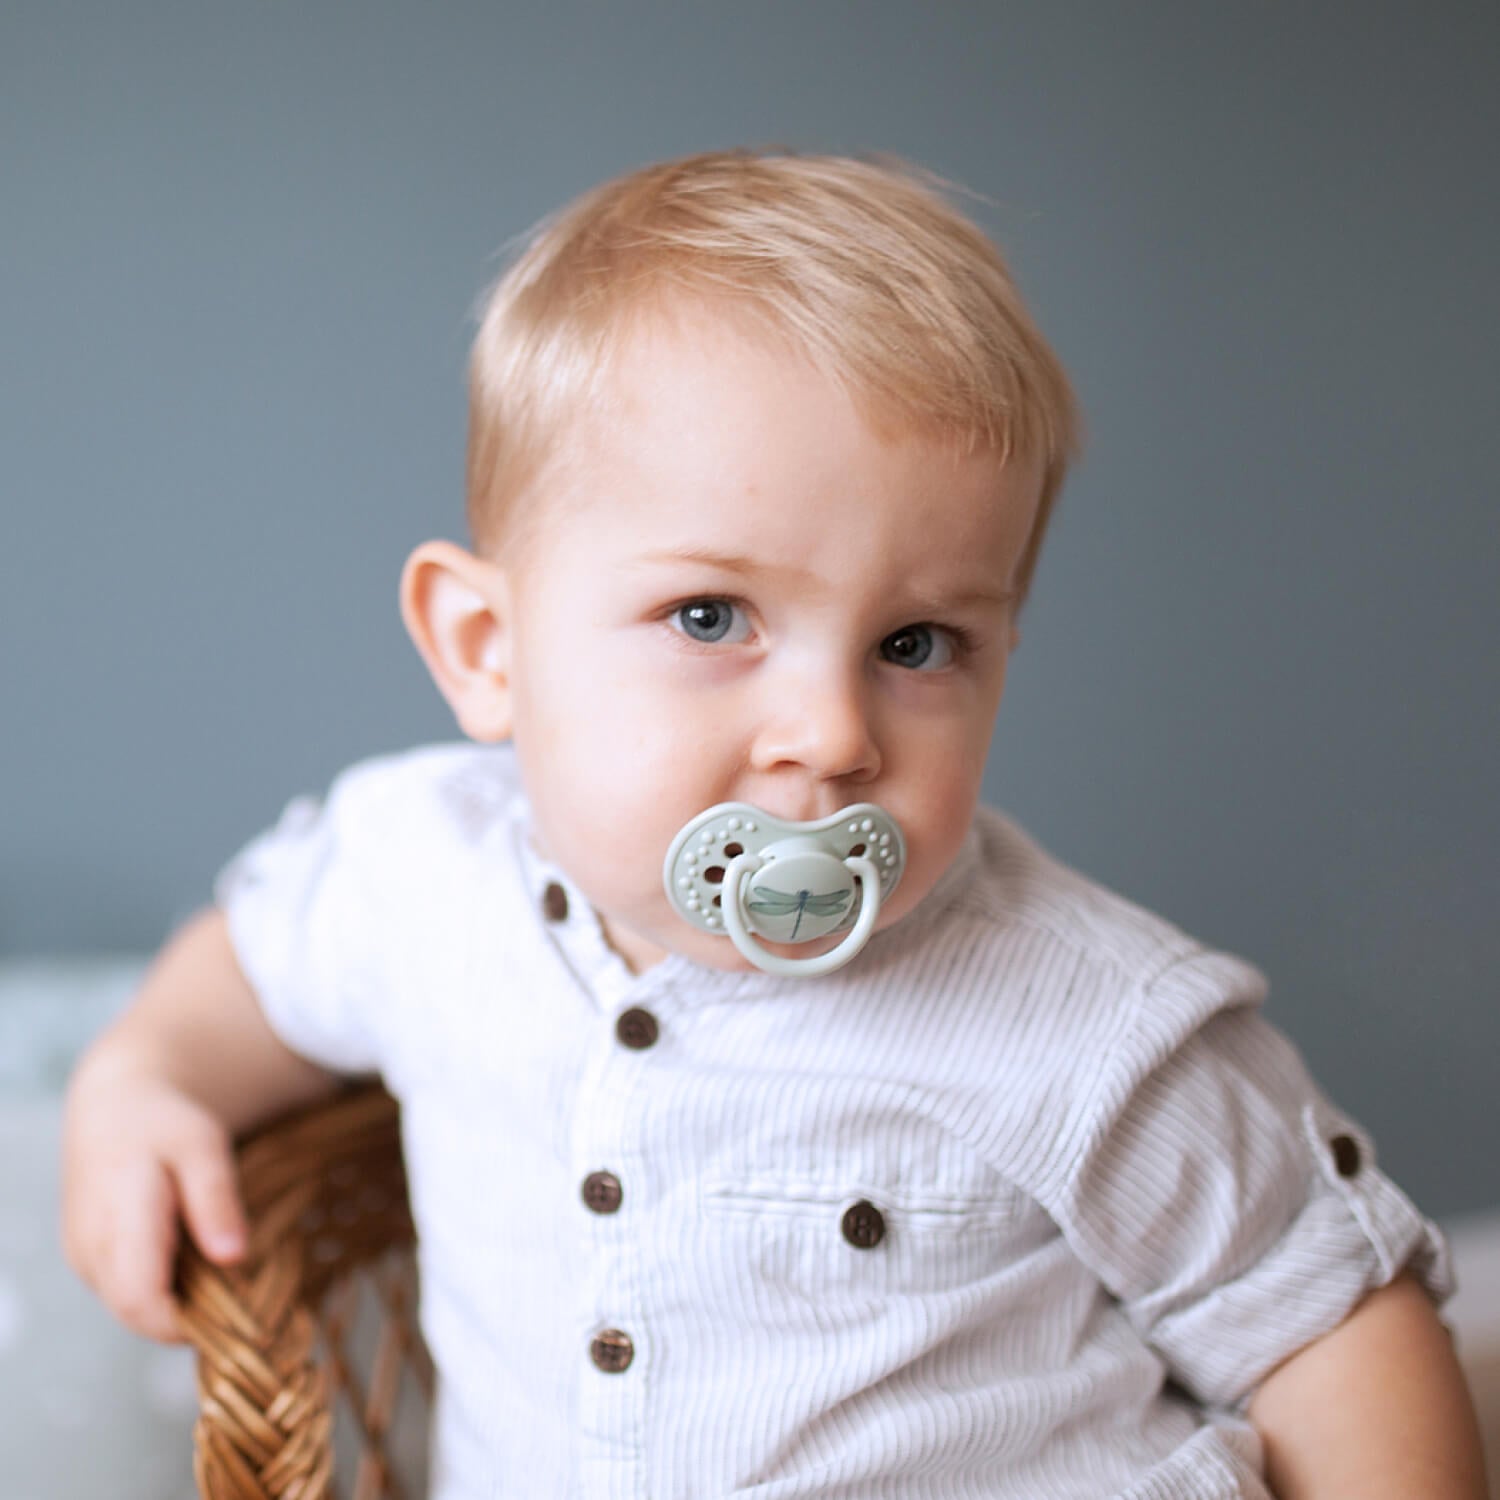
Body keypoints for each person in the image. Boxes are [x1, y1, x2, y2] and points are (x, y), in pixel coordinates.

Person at [62, 149, 1487, 1498]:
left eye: (919, 644)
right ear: (489, 648)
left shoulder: (1090, 1020)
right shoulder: (416, 873)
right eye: (710, 617)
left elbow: (1333, 1322)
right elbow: (252, 965)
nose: (835, 732)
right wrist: (148, 1074)